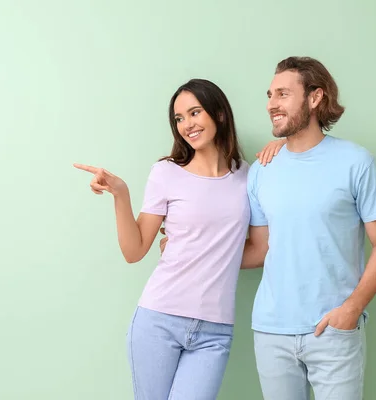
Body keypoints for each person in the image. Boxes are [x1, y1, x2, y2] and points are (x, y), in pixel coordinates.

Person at [74, 78, 284, 399]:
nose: (187, 124)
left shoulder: (248, 175)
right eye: (179, 118)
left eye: (195, 113)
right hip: (158, 321)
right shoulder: (166, 172)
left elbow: (259, 250)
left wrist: (282, 146)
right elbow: (134, 251)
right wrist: (121, 194)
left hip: (216, 330)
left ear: (220, 115)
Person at [244, 56, 376, 400]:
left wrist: (352, 308)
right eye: (269, 95)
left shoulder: (356, 162)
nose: (272, 104)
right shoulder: (262, 170)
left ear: (315, 98)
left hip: (333, 330)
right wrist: (193, 249)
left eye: (283, 94)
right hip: (272, 332)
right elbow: (259, 248)